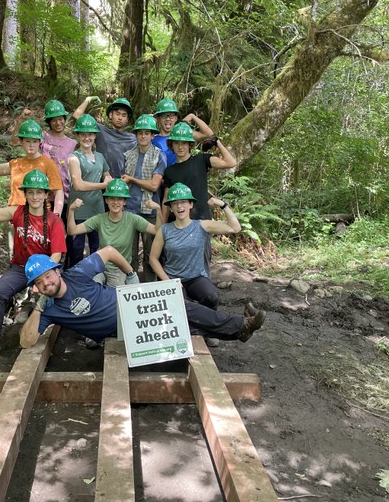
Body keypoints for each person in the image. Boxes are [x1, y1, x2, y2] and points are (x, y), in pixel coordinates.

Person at [19, 248, 266, 349]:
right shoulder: (50, 309)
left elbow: (108, 251)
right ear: (37, 288)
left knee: (180, 310)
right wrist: (40, 306)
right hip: (121, 331)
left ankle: (239, 329)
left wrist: (130, 274)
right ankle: (239, 328)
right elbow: (26, 342)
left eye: (48, 276)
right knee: (181, 318)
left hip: (132, 303)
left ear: (57, 271)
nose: (47, 283)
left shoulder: (76, 274)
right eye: (40, 283)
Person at [0, 170, 66, 354]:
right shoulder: (17, 212)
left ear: (46, 195)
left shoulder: (54, 221)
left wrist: (41, 276)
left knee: (48, 299)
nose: (35, 196)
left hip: (44, 271)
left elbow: (57, 254)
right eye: (30, 192)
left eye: (39, 192)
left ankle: (36, 317)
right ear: (25, 194)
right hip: (20, 268)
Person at [150, 183, 262, 321]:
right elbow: (153, 259)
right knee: (182, 307)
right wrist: (168, 282)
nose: (180, 206)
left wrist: (223, 205)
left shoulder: (202, 225)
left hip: (196, 277)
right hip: (173, 278)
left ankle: (208, 327)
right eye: (175, 203)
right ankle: (226, 324)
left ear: (191, 204)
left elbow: (235, 228)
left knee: (211, 297)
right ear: (171, 208)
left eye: (184, 202)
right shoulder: (165, 230)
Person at [67, 178, 160, 287]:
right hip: (100, 265)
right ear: (106, 200)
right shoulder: (99, 219)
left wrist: (158, 209)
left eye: (119, 199)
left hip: (119, 269)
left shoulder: (132, 219)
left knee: (113, 294)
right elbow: (72, 231)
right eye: (112, 198)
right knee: (90, 286)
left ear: (124, 201)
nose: (115, 202)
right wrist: (71, 210)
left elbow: (157, 230)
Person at [0, 119, 64, 217]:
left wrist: (56, 214)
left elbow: (58, 190)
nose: (31, 145)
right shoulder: (16, 163)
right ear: (21, 142)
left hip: (38, 216)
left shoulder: (48, 164)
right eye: (27, 141)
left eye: (34, 141)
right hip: (14, 213)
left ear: (40, 142)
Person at [161, 121, 236, 222]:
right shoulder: (170, 171)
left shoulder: (201, 160)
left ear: (189, 145)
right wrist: (162, 226)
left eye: (184, 143)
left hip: (202, 220)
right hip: (179, 223)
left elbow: (230, 163)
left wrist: (217, 142)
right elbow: (166, 200)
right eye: (176, 143)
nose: (180, 147)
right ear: (171, 145)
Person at [122, 114, 166, 283]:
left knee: (150, 254)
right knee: (129, 253)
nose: (143, 136)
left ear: (152, 135)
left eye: (147, 133)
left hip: (149, 211)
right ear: (136, 134)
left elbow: (155, 185)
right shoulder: (129, 154)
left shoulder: (158, 155)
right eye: (140, 133)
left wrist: (132, 179)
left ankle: (150, 288)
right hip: (130, 210)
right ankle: (130, 289)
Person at [10, 101, 77, 208]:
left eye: (60, 119)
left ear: (65, 119)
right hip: (41, 195)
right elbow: (14, 141)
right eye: (54, 120)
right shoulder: (41, 137)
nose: (58, 123)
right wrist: (21, 119)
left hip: (64, 195)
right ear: (49, 122)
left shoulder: (73, 144)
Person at [66, 114, 112, 268]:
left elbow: (108, 176)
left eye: (90, 134)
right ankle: (73, 280)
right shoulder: (74, 157)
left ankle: (94, 279)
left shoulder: (100, 157)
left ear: (95, 136)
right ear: (78, 136)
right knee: (76, 249)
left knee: (96, 247)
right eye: (83, 134)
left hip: (97, 209)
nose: (87, 138)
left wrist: (110, 182)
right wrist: (102, 185)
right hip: (78, 209)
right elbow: (78, 184)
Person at [71, 96, 136, 179]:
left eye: (124, 115)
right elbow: (77, 115)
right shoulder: (101, 130)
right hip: (102, 181)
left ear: (127, 119)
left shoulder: (132, 138)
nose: (120, 118)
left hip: (123, 183)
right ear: (110, 115)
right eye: (117, 114)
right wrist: (88, 99)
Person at [152, 98, 216, 167]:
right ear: (158, 119)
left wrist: (192, 116)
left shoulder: (183, 134)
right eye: (164, 116)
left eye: (171, 116)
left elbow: (208, 134)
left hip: (184, 174)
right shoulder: (152, 139)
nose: (168, 119)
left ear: (176, 118)